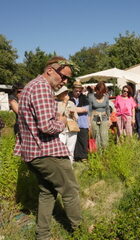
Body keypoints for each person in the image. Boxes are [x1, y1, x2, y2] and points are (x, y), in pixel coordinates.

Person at [14, 57, 81, 239]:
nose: (65, 81)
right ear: (51, 70)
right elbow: (46, 126)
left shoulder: (31, 86)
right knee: (70, 190)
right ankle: (80, 231)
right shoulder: (42, 88)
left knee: (47, 192)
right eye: (64, 76)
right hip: (46, 152)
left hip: (32, 153)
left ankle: (42, 234)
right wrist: (61, 121)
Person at [55, 86, 78, 163]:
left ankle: (70, 166)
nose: (66, 94)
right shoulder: (55, 103)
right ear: (60, 94)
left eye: (66, 92)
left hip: (71, 129)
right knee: (60, 149)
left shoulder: (71, 103)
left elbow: (76, 117)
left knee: (71, 149)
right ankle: (60, 166)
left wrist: (73, 114)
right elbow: (58, 115)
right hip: (61, 130)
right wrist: (64, 103)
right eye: (64, 93)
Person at [69, 81, 89, 161]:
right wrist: (78, 109)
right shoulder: (68, 97)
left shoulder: (84, 98)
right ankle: (74, 156)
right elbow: (67, 108)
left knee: (83, 140)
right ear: (72, 90)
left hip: (82, 123)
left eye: (79, 91)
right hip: (72, 123)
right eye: (76, 91)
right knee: (73, 141)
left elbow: (86, 109)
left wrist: (74, 109)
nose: (78, 93)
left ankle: (83, 157)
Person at [88, 81, 110, 149]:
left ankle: (105, 153)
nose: (101, 94)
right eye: (99, 92)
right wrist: (89, 123)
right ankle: (97, 154)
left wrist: (109, 119)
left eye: (102, 92)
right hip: (94, 118)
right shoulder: (91, 97)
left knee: (104, 136)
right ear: (96, 90)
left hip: (104, 118)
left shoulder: (106, 97)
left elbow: (107, 108)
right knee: (96, 136)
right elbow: (89, 110)